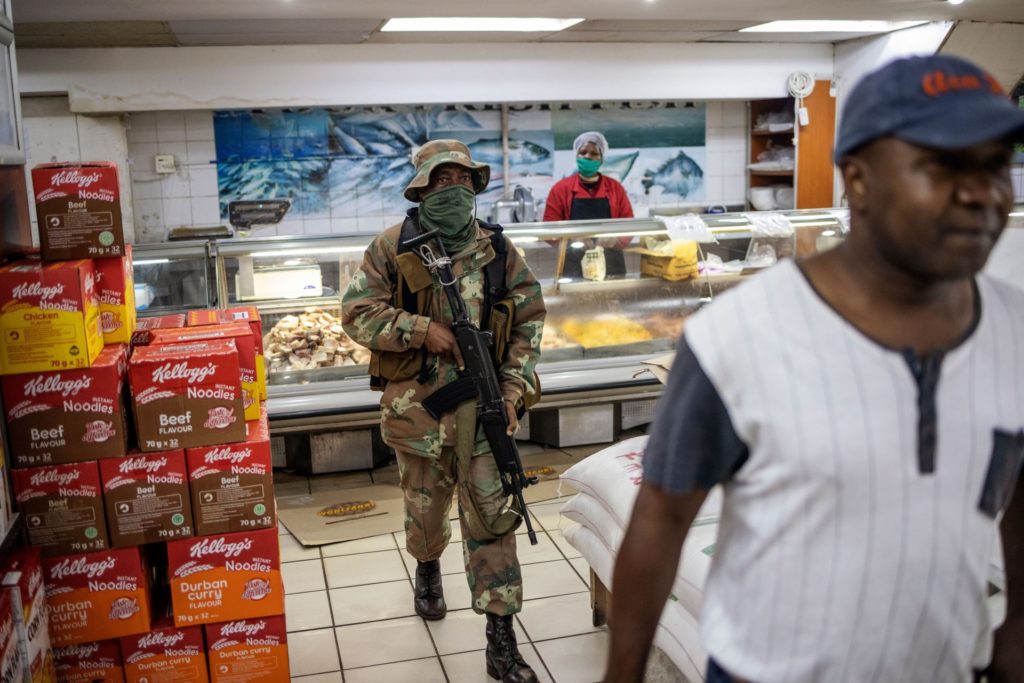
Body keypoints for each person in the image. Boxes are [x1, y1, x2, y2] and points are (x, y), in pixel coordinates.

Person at [603, 55, 1024, 683]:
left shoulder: (1015, 328)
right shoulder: (739, 336)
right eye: (942, 164)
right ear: (856, 179)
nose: (981, 193)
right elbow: (661, 519)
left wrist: (1016, 623)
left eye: (995, 165)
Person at [341, 139, 546, 683]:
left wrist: (512, 391)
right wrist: (420, 330)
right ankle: (427, 568)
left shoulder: (502, 253)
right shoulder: (391, 247)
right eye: (440, 180)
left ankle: (500, 640)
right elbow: (356, 314)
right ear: (421, 189)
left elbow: (529, 323)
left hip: (485, 416)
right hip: (420, 416)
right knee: (426, 513)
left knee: (494, 520)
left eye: (461, 180)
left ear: (475, 187)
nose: (452, 189)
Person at [543, 131, 634, 279]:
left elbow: (629, 224)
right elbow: (549, 228)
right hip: (574, 265)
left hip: (611, 265)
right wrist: (570, 239)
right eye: (583, 152)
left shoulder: (615, 188)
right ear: (576, 155)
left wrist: (616, 239)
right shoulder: (561, 189)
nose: (587, 156)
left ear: (601, 158)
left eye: (594, 153)